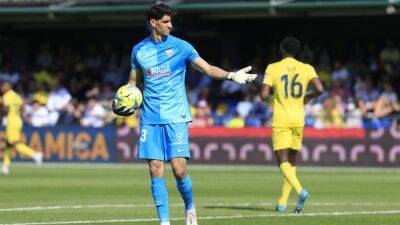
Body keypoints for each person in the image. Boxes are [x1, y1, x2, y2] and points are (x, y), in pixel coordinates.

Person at [112, 3, 257, 225]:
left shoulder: (182, 47)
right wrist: (124, 99)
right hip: (150, 118)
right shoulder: (139, 50)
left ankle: (190, 208)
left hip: (176, 115)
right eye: (166, 22)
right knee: (155, 168)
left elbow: (208, 69)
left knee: (179, 170)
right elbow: (133, 83)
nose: (171, 25)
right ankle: (164, 222)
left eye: (171, 21)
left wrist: (231, 75)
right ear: (153, 23)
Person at [261, 37, 323, 213]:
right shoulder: (306, 68)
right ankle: (282, 203)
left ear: (282, 49)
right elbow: (320, 89)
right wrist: (308, 97)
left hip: (281, 119)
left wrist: (274, 88)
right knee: (292, 162)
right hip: (299, 119)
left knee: (282, 161)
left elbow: (264, 96)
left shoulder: (273, 68)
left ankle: (300, 191)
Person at [0, 80, 43, 175]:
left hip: (11, 122)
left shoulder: (7, 96)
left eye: (4, 86)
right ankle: (5, 166)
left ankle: (35, 155)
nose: (2, 88)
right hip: (18, 121)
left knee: (14, 144)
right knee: (9, 145)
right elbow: (22, 107)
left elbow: (5, 109)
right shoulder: (17, 96)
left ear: (9, 86)